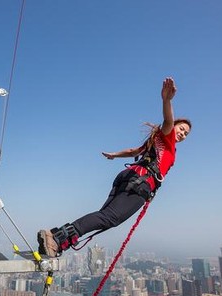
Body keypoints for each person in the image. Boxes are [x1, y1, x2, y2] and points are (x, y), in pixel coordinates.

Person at [38, 77, 191, 258]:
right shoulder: (168, 139)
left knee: (105, 217)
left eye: (186, 134)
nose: (182, 134)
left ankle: (59, 240)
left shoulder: (156, 141)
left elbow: (134, 151)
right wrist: (167, 101)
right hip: (140, 184)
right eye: (181, 129)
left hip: (128, 178)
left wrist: (115, 155)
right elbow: (167, 120)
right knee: (110, 218)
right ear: (174, 127)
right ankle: (56, 237)